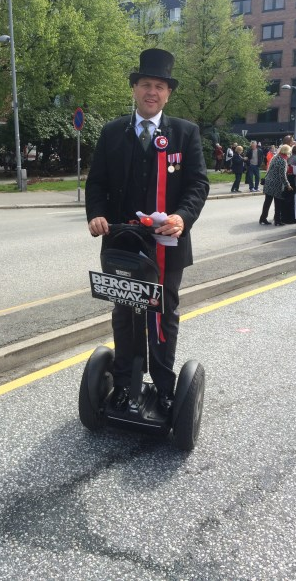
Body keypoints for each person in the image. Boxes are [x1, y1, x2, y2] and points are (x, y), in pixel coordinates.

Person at [85, 48, 209, 415]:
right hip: (121, 246)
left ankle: (165, 385)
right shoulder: (111, 133)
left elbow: (197, 185)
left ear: (168, 93)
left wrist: (183, 217)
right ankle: (126, 384)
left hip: (167, 246)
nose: (151, 92)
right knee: (125, 313)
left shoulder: (185, 133)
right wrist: (96, 215)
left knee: (162, 313)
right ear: (135, 89)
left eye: (158, 86)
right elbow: (97, 184)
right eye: (144, 85)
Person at [259, 144, 293, 226]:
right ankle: (277, 220)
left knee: (267, 202)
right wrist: (288, 185)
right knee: (278, 203)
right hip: (276, 184)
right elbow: (282, 175)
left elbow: (269, 169)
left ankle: (263, 218)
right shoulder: (283, 160)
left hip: (269, 182)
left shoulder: (275, 157)